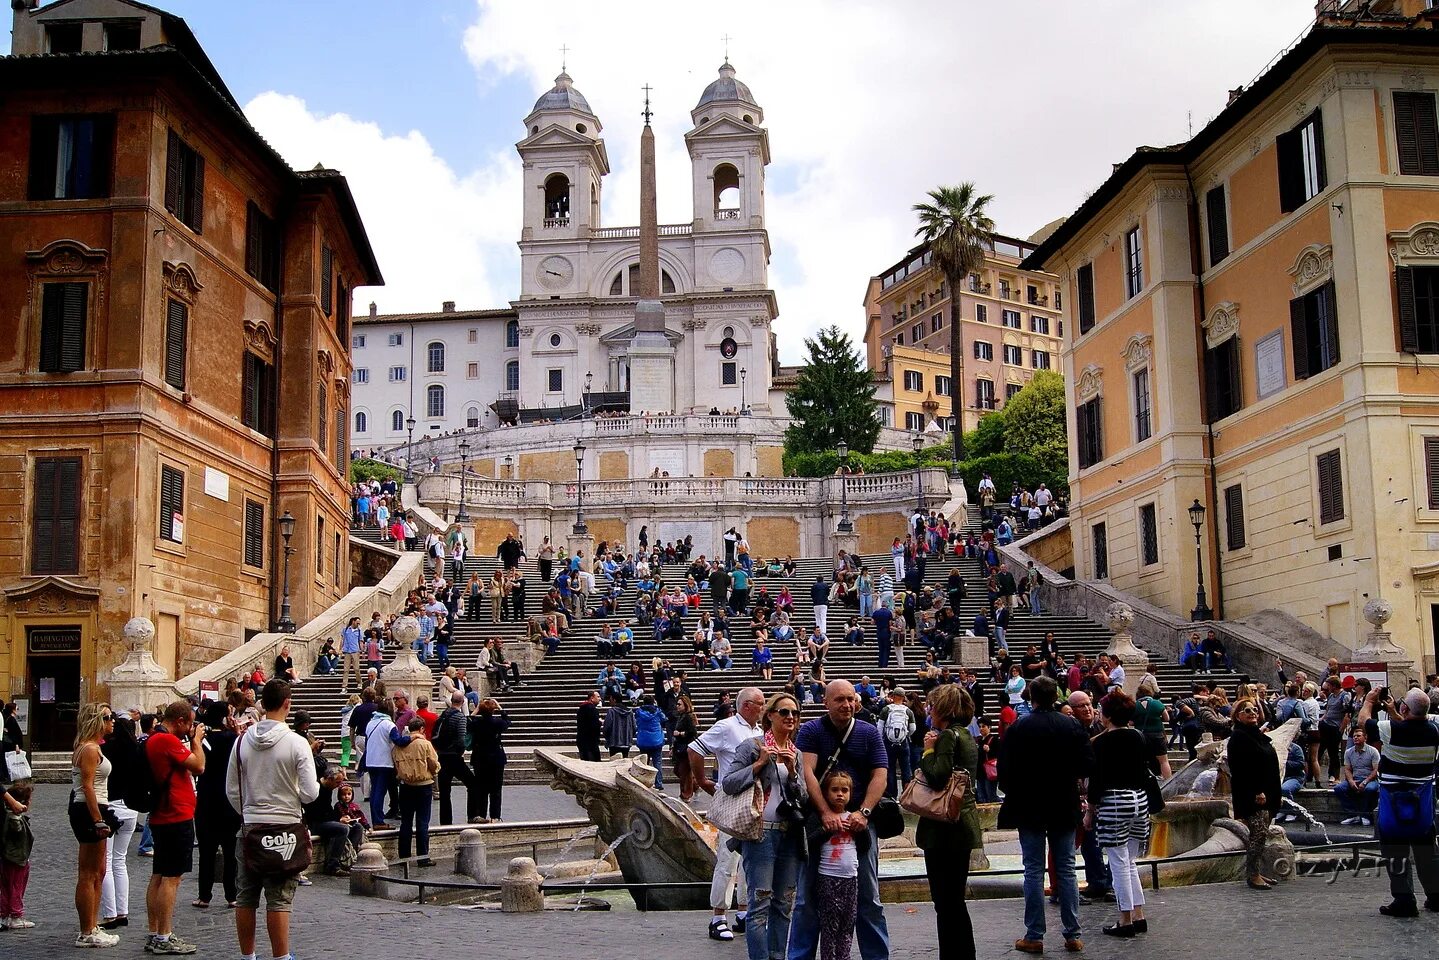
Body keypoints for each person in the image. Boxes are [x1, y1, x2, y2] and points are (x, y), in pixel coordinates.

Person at [788, 680, 890, 960]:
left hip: (860, 821)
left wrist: (864, 812)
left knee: (869, 897)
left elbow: (880, 775)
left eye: (851, 699)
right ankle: (800, 955)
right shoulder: (811, 730)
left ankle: (877, 956)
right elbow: (806, 772)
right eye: (839, 700)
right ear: (825, 702)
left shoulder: (869, 732)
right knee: (806, 899)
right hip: (818, 824)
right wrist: (825, 813)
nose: (847, 705)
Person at [224, 680, 320, 960]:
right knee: (279, 899)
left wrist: (248, 811)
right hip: (285, 827)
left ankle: (247, 956)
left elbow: (231, 788)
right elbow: (311, 792)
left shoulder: (242, 740)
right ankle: (281, 956)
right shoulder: (297, 743)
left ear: (262, 704)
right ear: (287, 704)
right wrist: (293, 799)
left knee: (246, 896)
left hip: (250, 826)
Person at [998, 676, 1091, 954]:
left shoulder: (1019, 727)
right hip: (1063, 803)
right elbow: (1087, 763)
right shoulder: (1072, 725)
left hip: (1029, 806)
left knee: (1034, 870)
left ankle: (1034, 934)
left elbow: (1004, 771)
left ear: (1031, 697)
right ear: (1055, 697)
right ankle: (1073, 933)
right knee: (1066, 868)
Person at [721, 692, 805, 960]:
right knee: (760, 905)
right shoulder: (752, 746)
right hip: (760, 834)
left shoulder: (796, 752)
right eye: (784, 712)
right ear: (770, 715)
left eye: (794, 713)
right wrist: (758, 765)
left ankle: (777, 956)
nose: (790, 717)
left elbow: (802, 797)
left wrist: (792, 773)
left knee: (783, 904)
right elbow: (729, 783)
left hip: (789, 834)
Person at [690, 687, 765, 942]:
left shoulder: (759, 731)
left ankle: (743, 910)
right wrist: (702, 780)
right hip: (732, 797)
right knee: (727, 858)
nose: (763, 707)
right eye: (760, 703)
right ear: (746, 705)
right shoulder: (727, 726)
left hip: (754, 800)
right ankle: (718, 915)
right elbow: (695, 748)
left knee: (749, 860)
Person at [1357, 686, 1439, 916]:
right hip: (1422, 802)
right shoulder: (1434, 730)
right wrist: (1396, 710)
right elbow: (1408, 725)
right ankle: (1436, 896)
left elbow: (1364, 722)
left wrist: (1369, 701)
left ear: (1405, 708)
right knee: (1428, 853)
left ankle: (1404, 901)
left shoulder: (1389, 729)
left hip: (1393, 802)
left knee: (1396, 853)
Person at [915, 684, 980, 960]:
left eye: (933, 706)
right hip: (963, 826)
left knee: (945, 901)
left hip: (944, 830)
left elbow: (937, 775)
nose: (929, 711)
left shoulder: (946, 738)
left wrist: (928, 751)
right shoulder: (966, 735)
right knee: (955, 900)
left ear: (943, 709)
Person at [1085, 692, 1151, 938]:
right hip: (1139, 801)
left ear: (1108, 715)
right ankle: (1138, 913)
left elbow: (1097, 780)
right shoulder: (1139, 736)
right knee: (1130, 860)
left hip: (1114, 802)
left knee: (1119, 862)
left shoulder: (1101, 743)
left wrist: (1090, 811)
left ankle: (1124, 920)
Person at [145, 700, 206, 955]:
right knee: (172, 878)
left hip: (163, 814)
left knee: (159, 875)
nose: (190, 728)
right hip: (175, 814)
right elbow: (199, 766)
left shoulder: (153, 738)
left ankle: (154, 932)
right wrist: (197, 741)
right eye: (189, 723)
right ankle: (163, 936)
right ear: (180, 721)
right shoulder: (168, 741)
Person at [71, 702, 119, 948]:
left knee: (98, 872)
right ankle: (86, 930)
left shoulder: (88, 747)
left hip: (94, 807)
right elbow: (87, 786)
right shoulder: (89, 749)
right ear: (96, 721)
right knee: (89, 873)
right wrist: (98, 819)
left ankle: (91, 924)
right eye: (108, 717)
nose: (112, 721)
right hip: (90, 808)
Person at [807, 770, 863, 960]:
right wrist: (827, 830)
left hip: (851, 879)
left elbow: (865, 846)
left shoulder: (853, 817)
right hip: (828, 878)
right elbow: (810, 843)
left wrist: (858, 830)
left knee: (847, 925)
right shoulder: (820, 818)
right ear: (825, 792)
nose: (840, 794)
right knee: (830, 927)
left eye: (844, 790)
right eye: (835, 790)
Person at [1227, 697, 1281, 890]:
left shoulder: (1255, 735)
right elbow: (1243, 769)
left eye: (1254, 710)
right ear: (1238, 716)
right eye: (1247, 711)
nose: (1252, 713)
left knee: (1261, 834)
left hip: (1267, 792)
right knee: (1258, 834)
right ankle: (1252, 875)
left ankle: (1257, 872)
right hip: (1253, 794)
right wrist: (1257, 790)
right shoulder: (1239, 737)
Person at [192, 699, 240, 909]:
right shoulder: (233, 740)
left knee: (206, 852)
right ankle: (232, 895)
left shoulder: (203, 740)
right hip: (229, 800)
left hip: (206, 799)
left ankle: (204, 895)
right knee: (231, 853)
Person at [97, 713, 140, 929]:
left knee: (107, 862)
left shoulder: (105, 750)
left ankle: (110, 914)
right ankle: (123, 911)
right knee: (120, 862)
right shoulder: (136, 750)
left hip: (110, 805)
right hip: (130, 808)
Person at [392, 717, 440, 864]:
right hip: (423, 785)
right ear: (422, 729)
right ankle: (423, 857)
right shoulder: (425, 744)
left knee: (405, 822)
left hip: (406, 786)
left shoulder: (399, 746)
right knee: (422, 822)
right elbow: (434, 764)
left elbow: (395, 763)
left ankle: (404, 857)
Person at [361, 701, 412, 828]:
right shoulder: (389, 724)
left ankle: (376, 817)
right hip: (384, 762)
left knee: (374, 792)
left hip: (371, 761)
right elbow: (398, 741)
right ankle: (378, 821)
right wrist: (411, 738)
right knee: (380, 791)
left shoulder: (370, 723)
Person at [432, 692, 478, 825]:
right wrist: (460, 751)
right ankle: (472, 815)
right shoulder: (460, 717)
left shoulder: (443, 715)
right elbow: (461, 739)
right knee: (472, 783)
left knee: (445, 791)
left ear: (451, 700)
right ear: (463, 702)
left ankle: (445, 822)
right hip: (454, 757)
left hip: (442, 756)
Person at [468, 698, 512, 823]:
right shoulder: (497, 723)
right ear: (493, 710)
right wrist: (500, 708)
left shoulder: (476, 723)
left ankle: (481, 814)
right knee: (496, 789)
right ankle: (495, 816)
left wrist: (475, 710)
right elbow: (508, 722)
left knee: (481, 788)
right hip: (496, 758)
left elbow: (468, 721)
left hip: (480, 758)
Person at [0, 780, 32, 932]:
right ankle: (16, 915)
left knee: (6, 887)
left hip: (8, 858)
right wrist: (17, 815)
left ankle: (4, 914)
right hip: (17, 859)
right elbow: (17, 831)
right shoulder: (14, 819)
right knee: (16, 887)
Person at [1333, 727, 1380, 825]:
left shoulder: (1373, 751)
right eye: (1354, 736)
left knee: (1369, 789)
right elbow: (1347, 769)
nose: (1355, 738)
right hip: (1355, 778)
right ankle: (1353, 814)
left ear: (1365, 737)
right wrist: (1351, 781)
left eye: (1358, 736)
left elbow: (1376, 770)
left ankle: (1365, 815)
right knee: (1339, 788)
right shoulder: (1348, 752)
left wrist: (1365, 782)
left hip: (1370, 780)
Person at [879, 688, 915, 798]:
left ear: (893, 696)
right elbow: (913, 728)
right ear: (903, 697)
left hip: (888, 743)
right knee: (906, 768)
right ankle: (906, 794)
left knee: (890, 768)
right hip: (903, 742)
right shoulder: (908, 711)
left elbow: (879, 727)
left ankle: (891, 795)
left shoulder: (886, 709)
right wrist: (907, 735)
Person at [635, 695, 667, 790]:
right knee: (657, 762)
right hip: (656, 740)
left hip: (643, 740)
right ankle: (658, 783)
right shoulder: (657, 711)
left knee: (644, 762)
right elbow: (664, 719)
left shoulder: (639, 712)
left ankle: (644, 782)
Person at [576, 692, 603, 763]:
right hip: (590, 741)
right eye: (598, 697)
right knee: (594, 762)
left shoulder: (581, 708)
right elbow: (594, 725)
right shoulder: (592, 709)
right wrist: (599, 722)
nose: (600, 699)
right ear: (592, 698)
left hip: (582, 739)